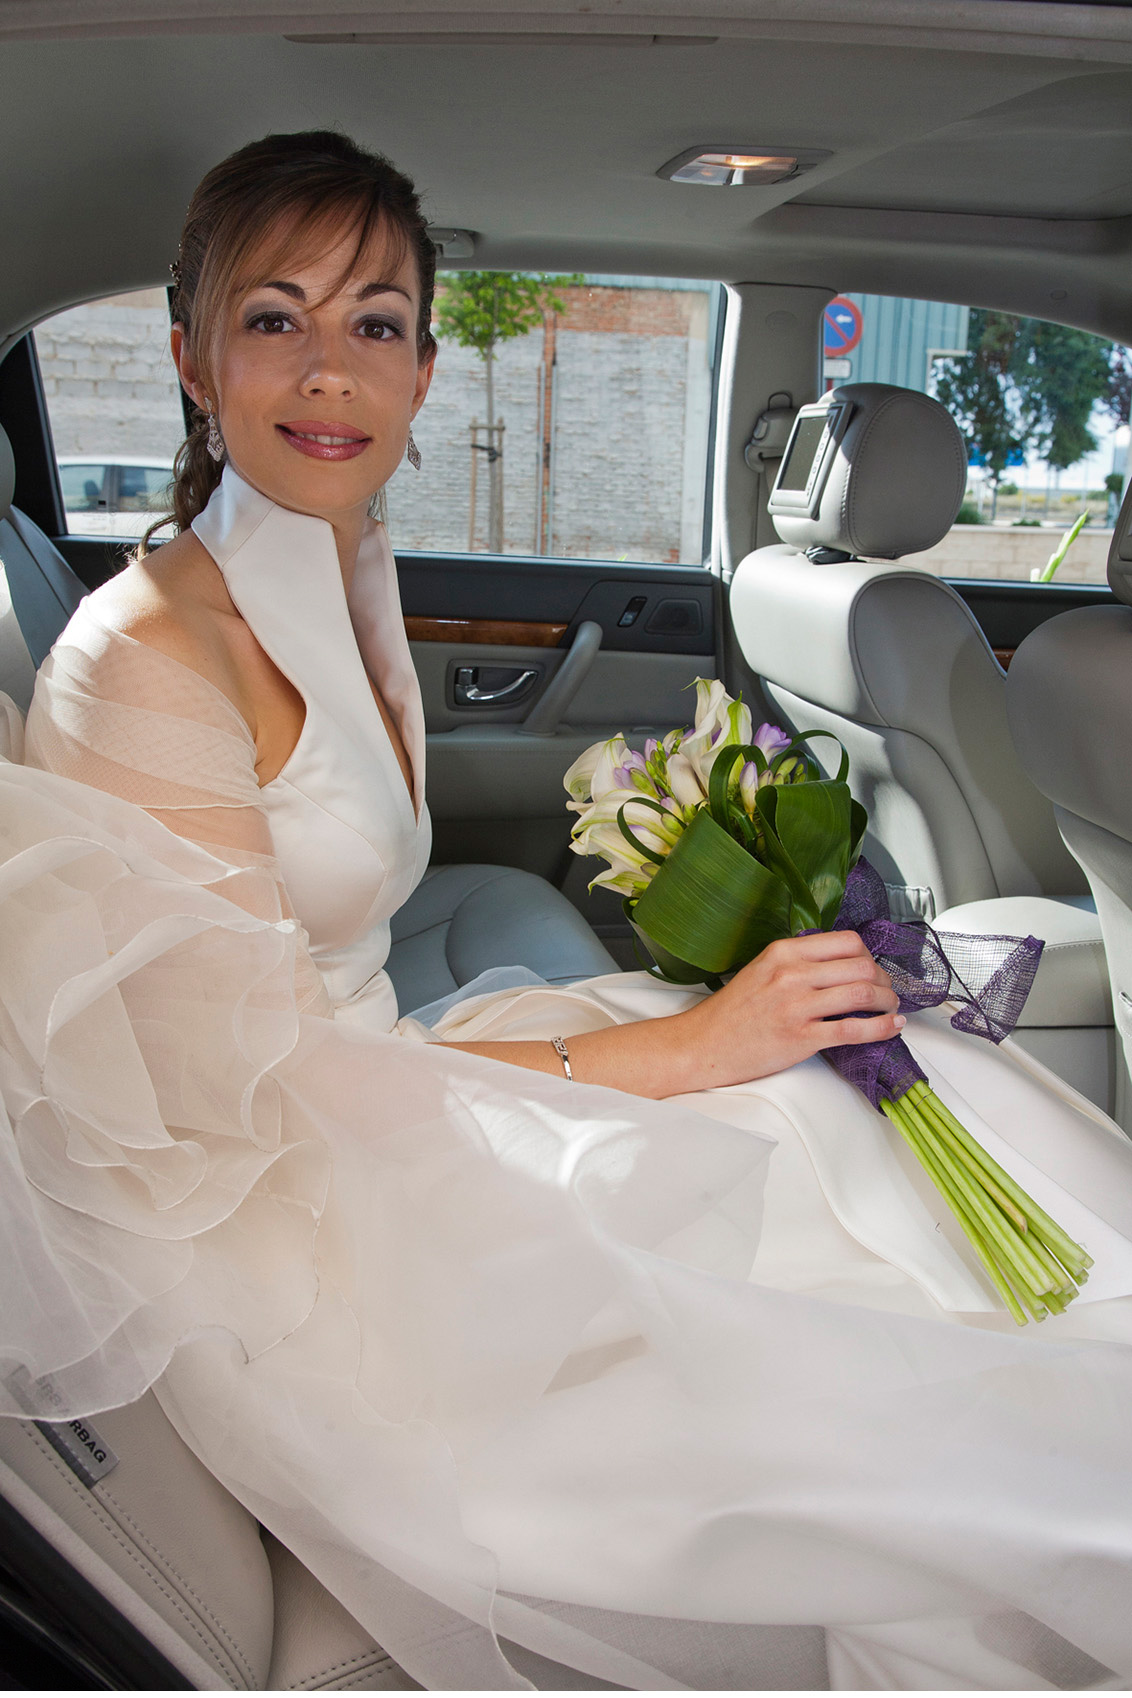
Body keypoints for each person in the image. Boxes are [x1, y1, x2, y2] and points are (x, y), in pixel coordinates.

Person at [3, 129, 1132, 1690]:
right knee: (824, 1310)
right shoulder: (144, 664)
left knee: (868, 1087)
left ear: (419, 371)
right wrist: (680, 1053)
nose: (330, 371)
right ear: (191, 357)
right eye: (275, 319)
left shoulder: (331, 558)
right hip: (295, 1239)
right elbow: (261, 1095)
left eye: (376, 325)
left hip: (380, 1099)